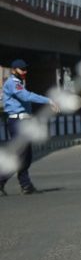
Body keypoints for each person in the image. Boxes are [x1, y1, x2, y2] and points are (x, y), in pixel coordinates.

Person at [2, 59, 57, 195]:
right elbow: (26, 97)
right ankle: (6, 181)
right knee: (20, 156)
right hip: (17, 122)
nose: (25, 71)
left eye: (26, 69)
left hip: (23, 122)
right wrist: (48, 100)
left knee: (26, 156)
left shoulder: (19, 82)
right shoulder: (13, 83)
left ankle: (26, 185)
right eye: (22, 69)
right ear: (14, 70)